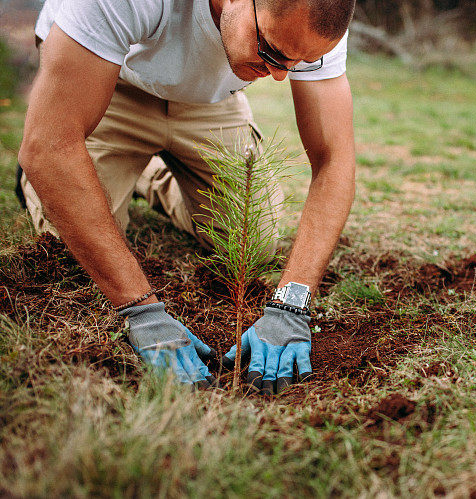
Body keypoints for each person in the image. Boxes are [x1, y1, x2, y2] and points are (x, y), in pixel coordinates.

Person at [16, 0, 357, 394]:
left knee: (251, 239)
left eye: (298, 64)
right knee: (68, 245)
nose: (281, 77)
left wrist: (291, 304)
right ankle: (56, 175)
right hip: (107, 80)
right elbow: (50, 146)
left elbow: (334, 160)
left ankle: (146, 174)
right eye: (270, 54)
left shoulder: (313, 20)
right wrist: (142, 310)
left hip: (210, 98)